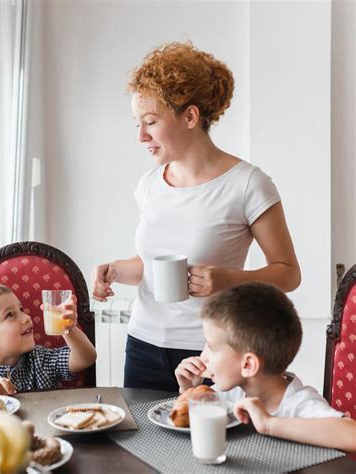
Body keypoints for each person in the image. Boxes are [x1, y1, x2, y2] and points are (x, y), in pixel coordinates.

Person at [91, 41, 301, 391]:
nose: (141, 136)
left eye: (151, 122)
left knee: (208, 444)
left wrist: (229, 281)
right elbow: (151, 264)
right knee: (142, 445)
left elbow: (289, 273)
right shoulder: (149, 185)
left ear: (190, 117)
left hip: (211, 352)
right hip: (143, 343)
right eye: (136, 123)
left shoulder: (248, 184)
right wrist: (115, 270)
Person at [175, 282, 356, 452]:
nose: (203, 357)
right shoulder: (233, 393)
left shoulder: (299, 404)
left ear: (248, 365)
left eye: (211, 347)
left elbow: (352, 436)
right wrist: (188, 391)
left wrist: (269, 424)